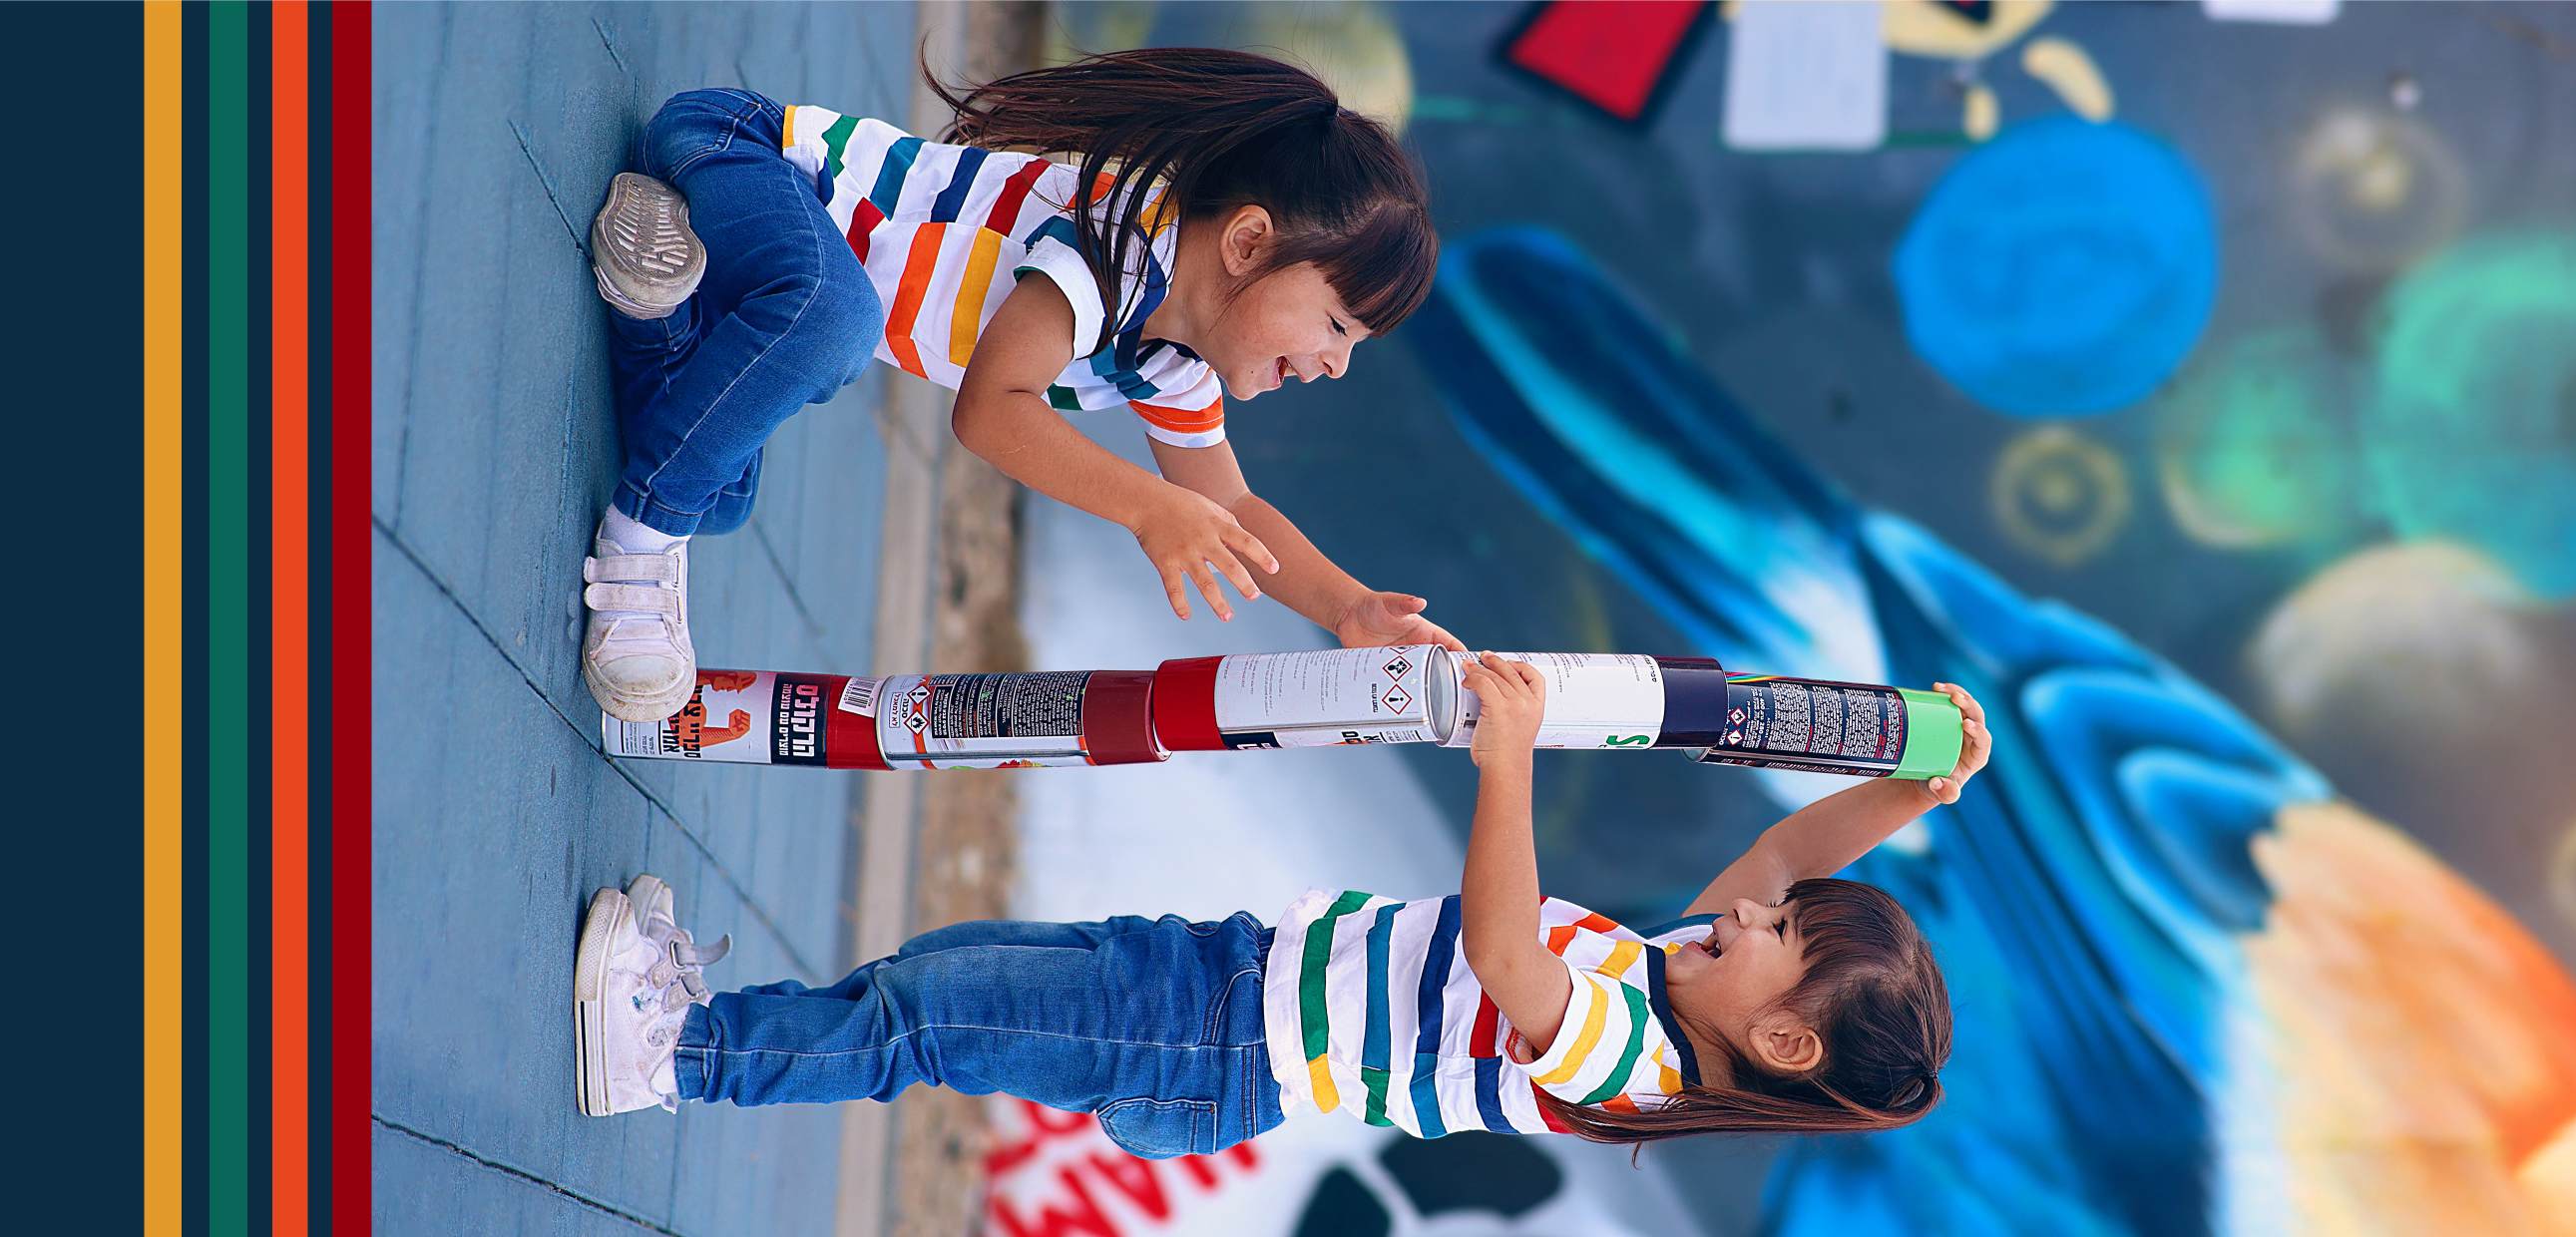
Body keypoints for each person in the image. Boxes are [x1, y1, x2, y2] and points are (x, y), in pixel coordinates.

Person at [573, 667, 1984, 1156]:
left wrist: (1507, 762)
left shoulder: (1633, 1061)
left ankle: (676, 1056)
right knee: (941, 975)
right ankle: (703, 1034)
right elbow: (1784, 849)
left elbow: (1502, 951)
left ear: (1784, 1041)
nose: (1751, 920)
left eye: (1779, 942)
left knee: (932, 1015)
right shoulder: (1685, 973)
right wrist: (1907, 787)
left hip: (1219, 1043)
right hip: (1229, 974)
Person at [580, 48, 1458, 723]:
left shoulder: (1172, 359)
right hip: (740, 155)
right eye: (1336, 325)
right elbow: (993, 411)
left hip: (757, 284)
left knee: (722, 492)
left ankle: (660, 304)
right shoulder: (1124, 239)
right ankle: (636, 550)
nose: (1336, 364)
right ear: (1248, 243)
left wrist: (1347, 608)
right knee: (832, 323)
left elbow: (1231, 508)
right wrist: (1150, 508)